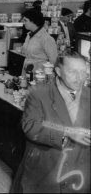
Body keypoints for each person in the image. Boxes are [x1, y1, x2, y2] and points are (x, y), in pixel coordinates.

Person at [11, 51, 90, 193]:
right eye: (73, 72)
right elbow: (31, 126)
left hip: (78, 178)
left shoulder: (88, 96)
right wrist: (67, 133)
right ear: (58, 71)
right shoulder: (39, 94)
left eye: (84, 72)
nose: (80, 78)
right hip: (44, 174)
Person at [20, 8, 58, 75]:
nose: (24, 23)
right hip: (27, 70)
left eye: (25, 20)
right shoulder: (29, 35)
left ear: (33, 21)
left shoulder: (46, 38)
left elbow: (54, 60)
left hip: (40, 74)